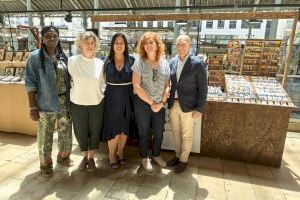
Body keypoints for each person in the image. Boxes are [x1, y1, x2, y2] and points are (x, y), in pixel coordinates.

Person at [24, 25, 73, 178]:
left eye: (54, 36)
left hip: (64, 101)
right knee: (45, 135)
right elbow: (30, 83)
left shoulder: (62, 56)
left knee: (65, 131)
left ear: (58, 38)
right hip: (45, 103)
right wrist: (32, 107)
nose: (52, 38)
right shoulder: (34, 57)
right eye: (48, 36)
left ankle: (63, 156)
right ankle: (45, 163)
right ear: (43, 39)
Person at [167, 35, 208, 173]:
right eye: (178, 44)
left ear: (190, 46)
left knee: (187, 135)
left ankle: (184, 160)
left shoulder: (197, 64)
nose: (180, 47)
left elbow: (203, 88)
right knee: (176, 133)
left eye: (183, 44)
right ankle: (178, 156)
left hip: (189, 106)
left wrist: (200, 108)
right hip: (174, 104)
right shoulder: (172, 62)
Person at [132, 32, 170, 173]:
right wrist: (151, 102)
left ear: (157, 44)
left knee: (159, 132)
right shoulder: (139, 62)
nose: (148, 45)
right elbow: (136, 86)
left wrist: (161, 102)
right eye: (145, 43)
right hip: (142, 103)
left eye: (151, 42)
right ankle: (144, 158)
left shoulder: (165, 63)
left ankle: (156, 155)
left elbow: (167, 86)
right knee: (144, 133)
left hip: (160, 103)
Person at [68, 31, 105, 172]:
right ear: (80, 44)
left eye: (92, 43)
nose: (90, 45)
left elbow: (103, 83)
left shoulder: (100, 63)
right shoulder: (72, 61)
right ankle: (84, 156)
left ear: (96, 46)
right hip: (77, 102)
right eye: (86, 43)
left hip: (96, 102)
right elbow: (68, 81)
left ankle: (91, 158)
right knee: (80, 131)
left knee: (95, 131)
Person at [102, 33, 135, 169]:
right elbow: (101, 81)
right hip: (111, 99)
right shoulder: (106, 61)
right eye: (116, 42)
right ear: (112, 45)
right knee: (113, 129)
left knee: (124, 130)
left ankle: (120, 153)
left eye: (122, 42)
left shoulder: (132, 60)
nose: (119, 45)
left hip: (127, 98)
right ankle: (111, 155)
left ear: (125, 45)